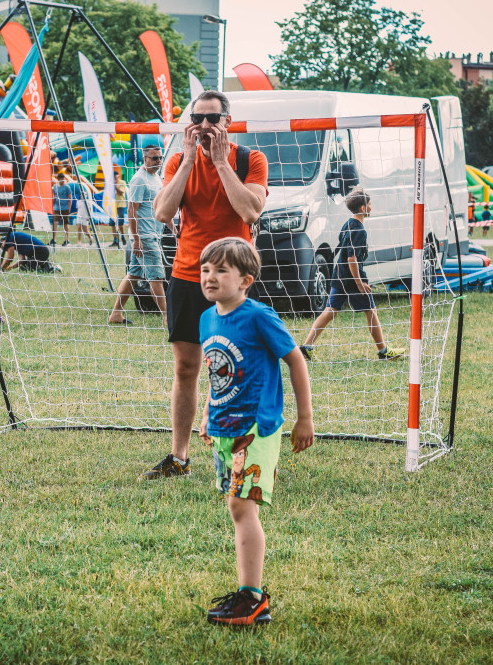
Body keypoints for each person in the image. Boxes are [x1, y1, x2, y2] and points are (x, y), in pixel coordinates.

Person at [144, 89, 269, 480]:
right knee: (186, 367)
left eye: (212, 119)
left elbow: (249, 210)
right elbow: (163, 212)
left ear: (227, 123)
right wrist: (187, 163)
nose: (204, 126)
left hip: (234, 279)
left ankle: (239, 455)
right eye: (197, 118)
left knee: (236, 367)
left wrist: (219, 162)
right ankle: (179, 456)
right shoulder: (179, 159)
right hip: (188, 274)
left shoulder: (251, 159)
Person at [196, 237, 314, 627]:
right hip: (224, 428)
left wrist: (305, 417)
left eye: (221, 270)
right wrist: (206, 413)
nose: (210, 277)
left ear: (245, 280)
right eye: (205, 270)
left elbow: (296, 360)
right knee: (235, 507)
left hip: (256, 428)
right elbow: (214, 371)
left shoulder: (260, 316)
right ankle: (249, 594)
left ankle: (253, 598)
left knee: (240, 507)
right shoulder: (206, 317)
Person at [301, 187, 405, 362]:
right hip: (351, 278)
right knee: (371, 311)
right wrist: (359, 283)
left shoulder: (347, 223)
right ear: (363, 208)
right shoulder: (359, 230)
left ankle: (307, 347)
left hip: (339, 275)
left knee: (330, 310)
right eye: (370, 203)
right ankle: (383, 351)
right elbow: (352, 258)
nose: (372, 206)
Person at [108, 145, 167, 326]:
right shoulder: (139, 180)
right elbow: (131, 211)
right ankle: (168, 317)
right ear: (145, 159)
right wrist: (137, 239)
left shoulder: (155, 177)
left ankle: (116, 313)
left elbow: (158, 206)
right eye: (154, 158)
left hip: (153, 235)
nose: (159, 161)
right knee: (156, 277)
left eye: (160, 157)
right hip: (145, 237)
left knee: (133, 275)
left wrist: (171, 225)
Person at [51, 173, 73, 246]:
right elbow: (54, 196)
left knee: (65, 224)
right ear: (58, 179)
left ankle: (67, 240)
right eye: (61, 179)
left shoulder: (67, 187)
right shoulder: (55, 186)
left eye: (63, 179)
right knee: (55, 223)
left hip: (65, 208)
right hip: (57, 208)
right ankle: (54, 239)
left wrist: (69, 208)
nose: (62, 181)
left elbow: (70, 198)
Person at [108, 172, 128, 248]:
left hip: (121, 205)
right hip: (112, 205)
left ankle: (122, 236)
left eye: (117, 177)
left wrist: (114, 186)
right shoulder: (110, 184)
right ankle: (115, 240)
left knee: (120, 223)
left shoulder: (122, 182)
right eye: (115, 178)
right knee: (112, 223)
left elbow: (121, 192)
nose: (116, 179)